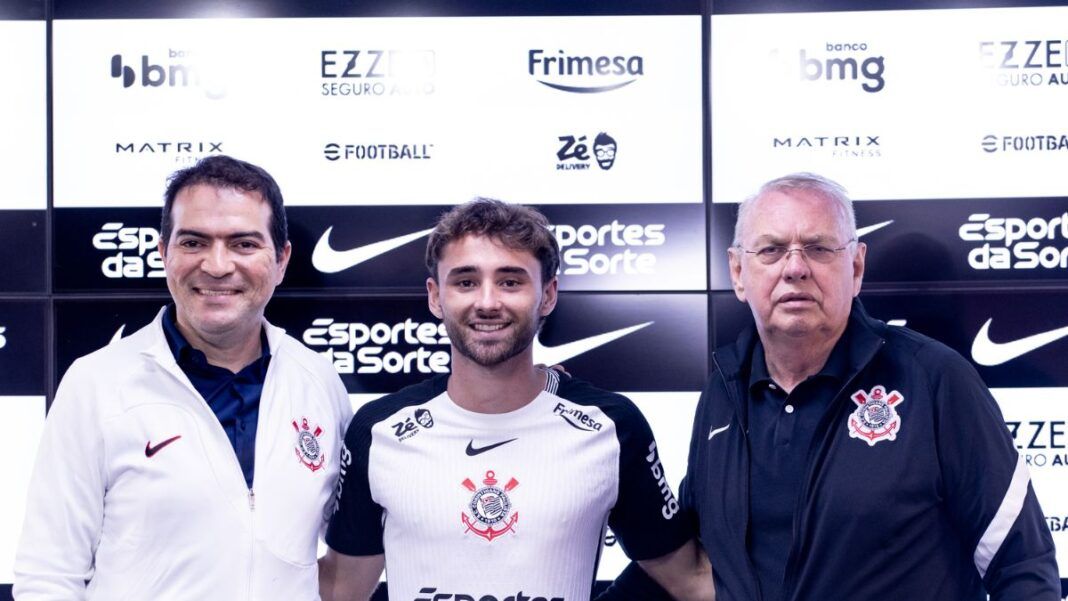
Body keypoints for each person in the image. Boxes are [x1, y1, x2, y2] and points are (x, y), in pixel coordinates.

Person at [681, 172, 1060, 600]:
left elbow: (1022, 565)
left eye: (819, 248)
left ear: (856, 266)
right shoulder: (723, 391)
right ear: (737, 272)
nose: (795, 268)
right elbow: (694, 562)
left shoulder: (935, 380)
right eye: (771, 250)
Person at [319, 198, 713, 601]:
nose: (488, 303)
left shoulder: (613, 427)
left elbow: (692, 581)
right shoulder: (378, 431)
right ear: (436, 297)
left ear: (548, 295)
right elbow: (340, 592)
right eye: (466, 282)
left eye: (510, 282)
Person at [14, 155, 353, 600]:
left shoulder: (318, 382)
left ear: (281, 260)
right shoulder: (96, 384)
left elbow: (352, 547)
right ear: (163, 252)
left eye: (243, 244)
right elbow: (48, 577)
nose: (217, 265)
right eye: (194, 242)